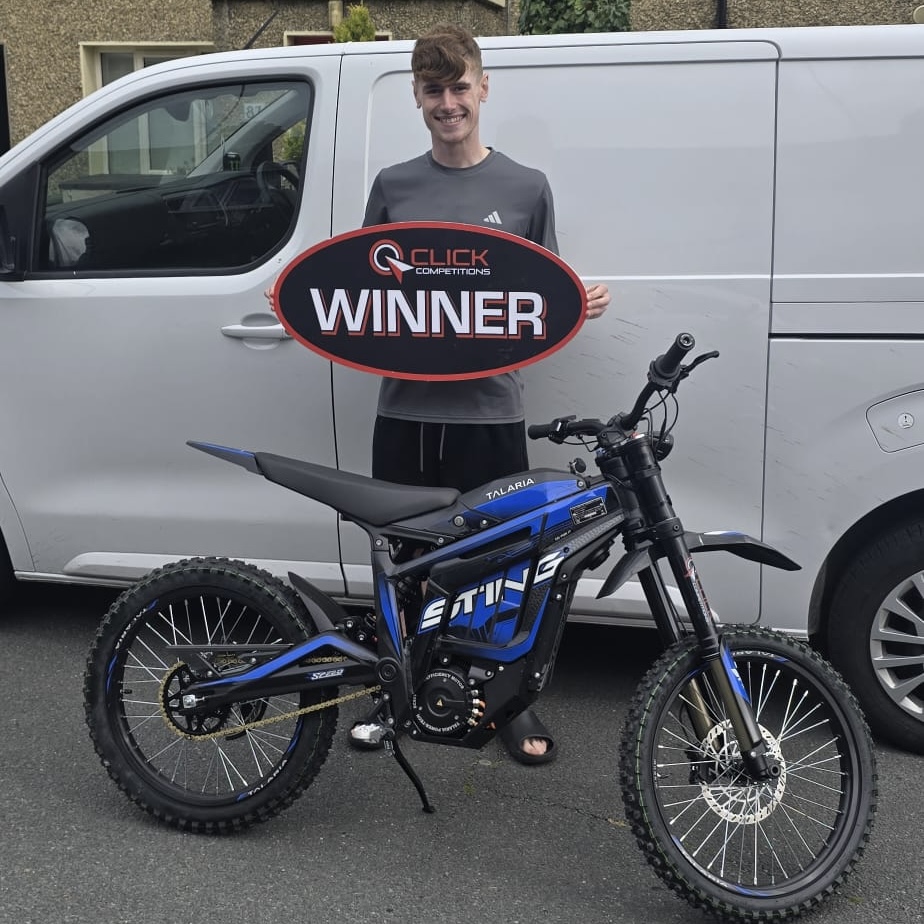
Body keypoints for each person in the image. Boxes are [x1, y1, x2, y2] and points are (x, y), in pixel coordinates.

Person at [347, 23, 611, 764]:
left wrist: (578, 303)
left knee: (505, 565)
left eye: (459, 86)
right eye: (433, 90)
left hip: (491, 411)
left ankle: (507, 705)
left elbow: (541, 295)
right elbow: (360, 293)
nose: (448, 103)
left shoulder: (526, 187)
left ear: (483, 87)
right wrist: (300, 301)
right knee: (401, 561)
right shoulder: (394, 186)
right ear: (416, 96)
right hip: (405, 411)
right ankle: (395, 693)